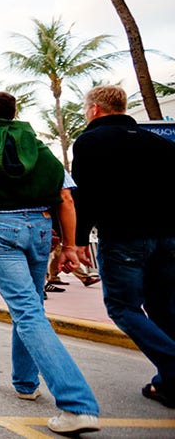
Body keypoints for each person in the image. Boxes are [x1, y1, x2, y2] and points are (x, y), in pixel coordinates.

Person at [0, 91, 99, 434]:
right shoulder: (36, 144)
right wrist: (71, 245)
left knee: (27, 311)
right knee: (31, 307)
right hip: (40, 227)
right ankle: (25, 383)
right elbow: (65, 196)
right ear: (14, 112)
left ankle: (77, 405)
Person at [72, 84, 175, 410]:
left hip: (123, 237)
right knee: (164, 308)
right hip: (167, 236)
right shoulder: (159, 142)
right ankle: (168, 385)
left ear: (95, 109)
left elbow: (84, 195)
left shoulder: (89, 141)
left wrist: (78, 239)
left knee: (123, 307)